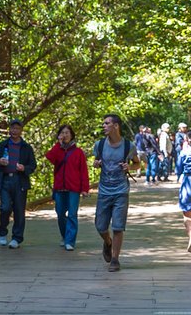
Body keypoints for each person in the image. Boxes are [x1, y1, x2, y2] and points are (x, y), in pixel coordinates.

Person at [91, 113, 138, 271]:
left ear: (116, 126)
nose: (104, 126)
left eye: (106, 123)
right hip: (104, 190)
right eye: (103, 123)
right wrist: (96, 164)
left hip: (121, 191)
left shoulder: (128, 146)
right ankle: (107, 242)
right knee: (100, 226)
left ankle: (115, 259)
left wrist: (129, 167)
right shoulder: (100, 144)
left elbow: (138, 165)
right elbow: (95, 161)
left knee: (118, 226)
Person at [0, 118, 37, 247]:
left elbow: (33, 165)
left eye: (17, 128)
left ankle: (17, 238)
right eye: (12, 128)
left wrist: (24, 168)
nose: (15, 131)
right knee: (5, 208)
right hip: (5, 180)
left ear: (21, 130)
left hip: (20, 181)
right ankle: (2, 231)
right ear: (9, 130)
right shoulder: (1, 146)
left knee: (19, 210)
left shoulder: (26, 147)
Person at [44, 123, 90, 250]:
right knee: (60, 213)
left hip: (73, 188)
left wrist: (85, 189)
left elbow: (83, 171)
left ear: (72, 135)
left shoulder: (78, 152)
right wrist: (58, 144)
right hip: (59, 187)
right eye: (62, 133)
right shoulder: (57, 150)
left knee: (72, 214)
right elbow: (49, 157)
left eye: (67, 133)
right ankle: (65, 236)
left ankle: (70, 241)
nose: (65, 135)